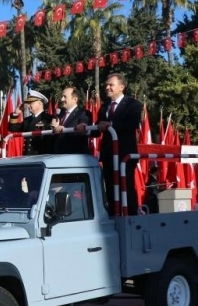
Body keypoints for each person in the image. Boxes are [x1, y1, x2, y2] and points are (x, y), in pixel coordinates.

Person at [87, 73, 143, 216]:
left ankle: (131, 217)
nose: (107, 87)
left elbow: (131, 124)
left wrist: (110, 124)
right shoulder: (105, 106)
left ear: (121, 87)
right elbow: (97, 129)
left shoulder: (133, 104)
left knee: (126, 188)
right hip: (108, 155)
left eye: (111, 85)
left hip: (124, 154)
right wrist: (85, 129)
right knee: (111, 189)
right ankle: (114, 216)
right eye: (106, 85)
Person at [8, 89, 54, 155]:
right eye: (28, 103)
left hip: (41, 156)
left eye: (31, 103)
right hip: (27, 157)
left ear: (40, 103)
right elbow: (12, 128)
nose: (29, 106)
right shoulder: (27, 120)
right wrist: (16, 114)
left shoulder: (48, 118)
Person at [51, 87, 91, 155]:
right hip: (58, 155)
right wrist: (53, 129)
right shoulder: (59, 114)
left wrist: (64, 130)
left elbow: (82, 131)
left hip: (76, 156)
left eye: (65, 97)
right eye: (62, 96)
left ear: (75, 99)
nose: (62, 99)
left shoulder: (83, 113)